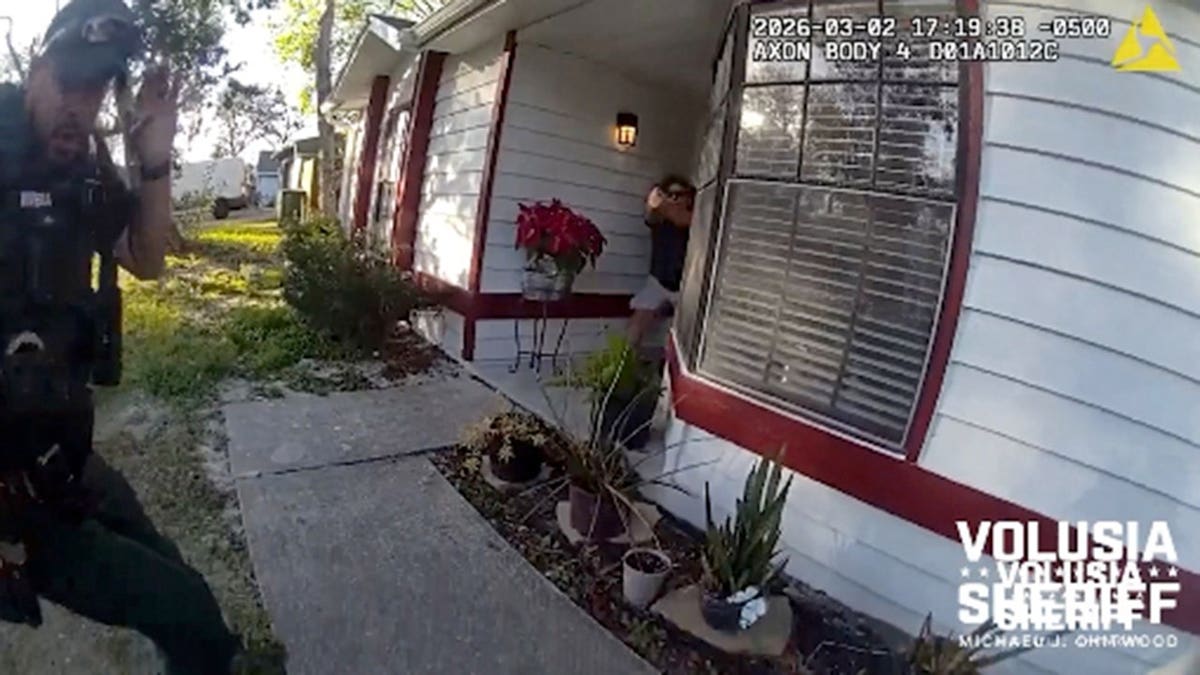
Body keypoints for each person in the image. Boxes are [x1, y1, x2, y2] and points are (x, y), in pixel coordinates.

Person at [0, 1, 248, 673]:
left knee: (169, 566)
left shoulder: (85, 171)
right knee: (188, 609)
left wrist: (155, 160)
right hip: (13, 494)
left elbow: (147, 256)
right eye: (68, 83)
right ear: (36, 68)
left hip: (64, 452)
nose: (80, 106)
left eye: (96, 88)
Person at [628, 175, 696, 349]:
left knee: (684, 333)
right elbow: (650, 214)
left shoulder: (694, 217)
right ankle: (624, 362)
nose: (676, 199)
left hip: (685, 286)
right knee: (637, 323)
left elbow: (682, 219)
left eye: (680, 194)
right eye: (672, 194)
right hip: (658, 280)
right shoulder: (659, 217)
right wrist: (653, 202)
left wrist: (663, 203)